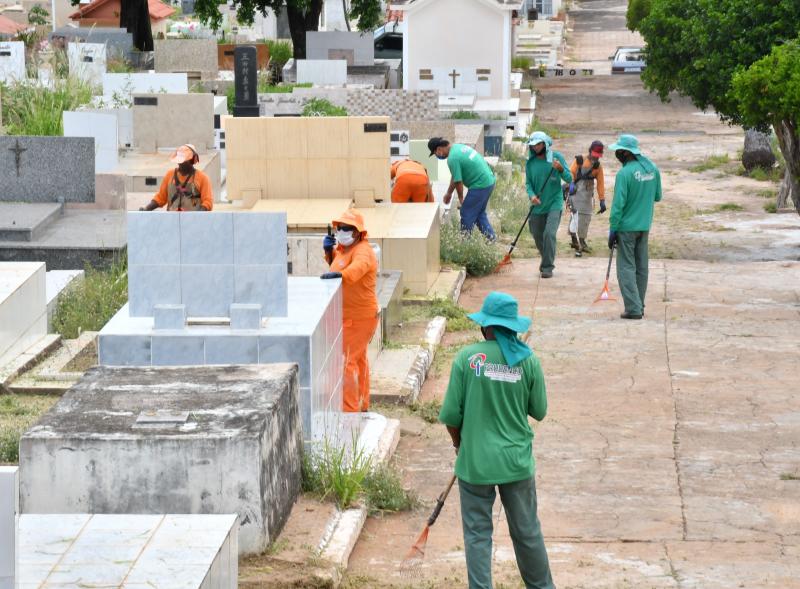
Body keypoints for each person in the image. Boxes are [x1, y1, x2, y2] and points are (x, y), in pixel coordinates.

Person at [439, 291, 554, 589]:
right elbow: (539, 410)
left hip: (475, 463)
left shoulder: (467, 358)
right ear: (513, 327)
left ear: (485, 327)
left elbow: (452, 416)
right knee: (527, 531)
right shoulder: (528, 361)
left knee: (477, 535)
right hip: (515, 462)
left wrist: (459, 445)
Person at [321, 209, 379, 412]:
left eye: (346, 228)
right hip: (347, 317)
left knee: (346, 363)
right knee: (358, 360)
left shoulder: (363, 250)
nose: (341, 232)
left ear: (357, 232)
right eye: (339, 228)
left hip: (360, 317)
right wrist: (329, 253)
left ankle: (349, 412)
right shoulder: (344, 250)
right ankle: (361, 405)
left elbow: (357, 268)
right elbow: (339, 262)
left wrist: (340, 276)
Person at [607, 134, 662, 320]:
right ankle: (640, 303)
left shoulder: (624, 174)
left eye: (618, 151)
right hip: (644, 225)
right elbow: (657, 196)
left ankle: (633, 308)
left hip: (626, 228)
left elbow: (617, 206)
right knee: (641, 267)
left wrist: (613, 228)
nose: (616, 154)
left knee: (626, 268)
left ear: (625, 152)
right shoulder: (652, 169)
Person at [428, 137, 496, 240]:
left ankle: (465, 242)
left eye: (435, 153)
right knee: (478, 213)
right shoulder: (457, 147)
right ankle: (491, 239)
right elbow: (456, 176)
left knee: (466, 212)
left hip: (480, 185)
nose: (437, 156)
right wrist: (449, 193)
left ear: (439, 149)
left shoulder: (452, 158)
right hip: (488, 181)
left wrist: (461, 198)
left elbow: (458, 181)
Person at [525, 131, 572, 278]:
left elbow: (569, 178)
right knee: (537, 234)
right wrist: (532, 196)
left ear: (545, 144)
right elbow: (528, 184)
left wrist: (560, 169)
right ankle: (546, 257)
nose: (536, 147)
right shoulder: (530, 163)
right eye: (533, 145)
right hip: (538, 205)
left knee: (549, 234)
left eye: (539, 144)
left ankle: (547, 267)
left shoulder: (556, 158)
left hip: (554, 202)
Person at [139, 144, 213, 212]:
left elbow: (207, 202)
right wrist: (146, 209)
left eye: (184, 161)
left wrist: (197, 216)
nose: (180, 164)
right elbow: (160, 198)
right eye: (179, 161)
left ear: (193, 160)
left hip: (193, 222)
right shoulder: (170, 175)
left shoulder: (202, 178)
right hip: (172, 221)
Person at [567, 140, 606, 256]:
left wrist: (602, 200)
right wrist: (571, 183)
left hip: (588, 195)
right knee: (575, 217)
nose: (596, 158)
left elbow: (600, 183)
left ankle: (582, 241)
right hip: (575, 193)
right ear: (590, 151)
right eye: (595, 155)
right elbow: (570, 173)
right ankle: (574, 240)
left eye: (598, 156)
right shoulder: (579, 160)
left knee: (586, 218)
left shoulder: (598, 167)